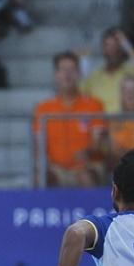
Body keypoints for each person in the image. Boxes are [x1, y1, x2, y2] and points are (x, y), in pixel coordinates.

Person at [33, 52, 106, 187]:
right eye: (63, 69)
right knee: (40, 177)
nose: (67, 74)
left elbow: (98, 142)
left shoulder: (94, 104)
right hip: (56, 169)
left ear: (79, 73)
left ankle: (97, 208)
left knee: (85, 176)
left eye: (72, 69)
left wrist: (88, 152)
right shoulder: (43, 108)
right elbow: (39, 145)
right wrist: (45, 165)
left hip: (87, 166)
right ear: (56, 75)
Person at [82, 28, 134, 114]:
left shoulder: (131, 71)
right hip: (100, 125)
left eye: (117, 46)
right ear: (103, 49)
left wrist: (127, 45)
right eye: (108, 46)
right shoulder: (94, 76)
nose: (113, 51)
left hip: (125, 125)